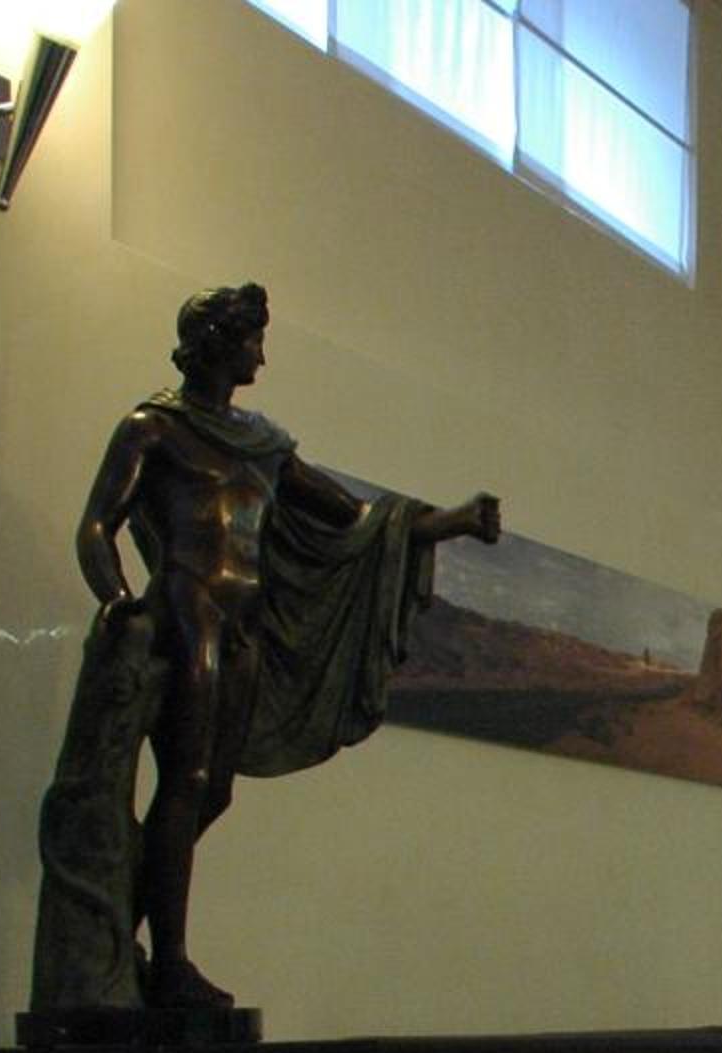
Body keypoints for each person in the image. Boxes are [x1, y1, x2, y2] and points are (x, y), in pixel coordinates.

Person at [29, 282, 500, 1016]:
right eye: (252, 339)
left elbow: (354, 517)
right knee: (186, 779)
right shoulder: (153, 428)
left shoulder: (265, 448)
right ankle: (171, 964)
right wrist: (117, 598)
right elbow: (97, 526)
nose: (261, 355)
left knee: (212, 789)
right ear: (217, 342)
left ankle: (119, 933)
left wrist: (455, 522)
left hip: (246, 622)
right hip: (187, 609)